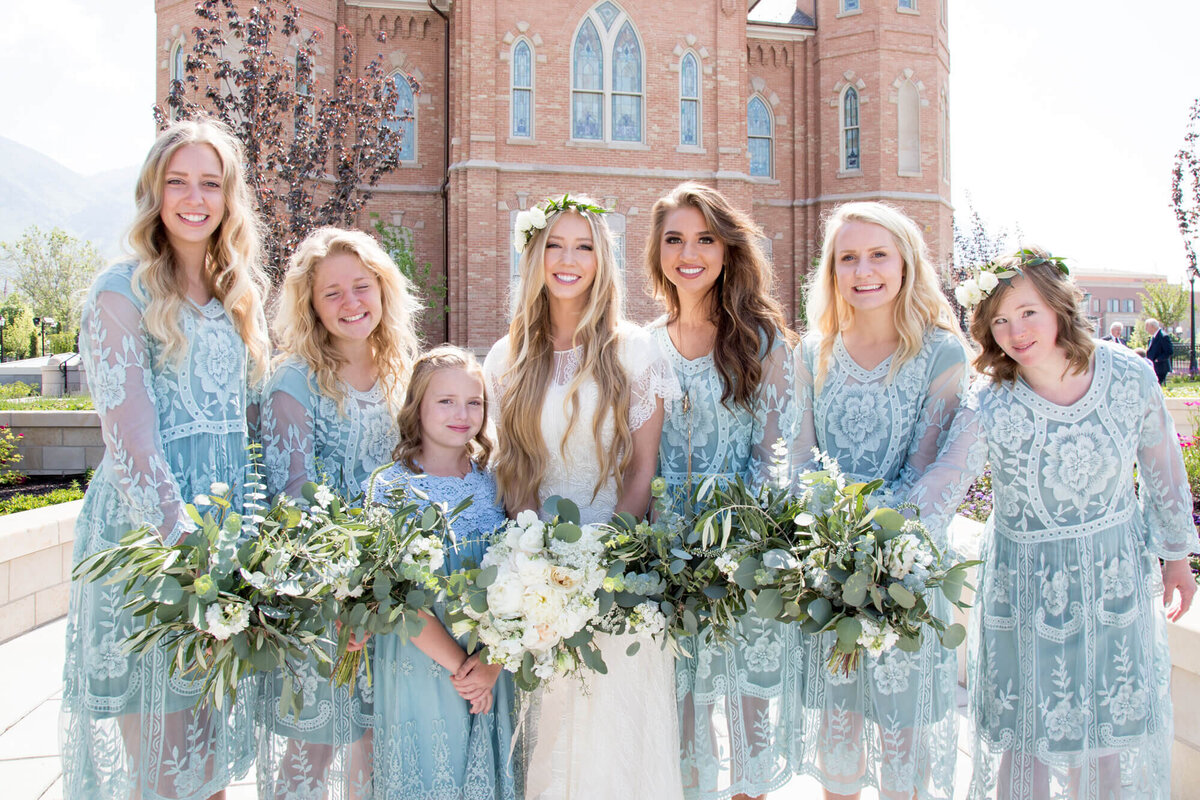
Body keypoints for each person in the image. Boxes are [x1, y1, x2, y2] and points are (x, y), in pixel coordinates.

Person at [923, 248, 1196, 798]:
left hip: (1113, 580)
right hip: (1025, 588)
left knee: (1108, 736)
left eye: (1027, 312)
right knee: (1027, 735)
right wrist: (875, 539)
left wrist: (1176, 558)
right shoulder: (991, 402)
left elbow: (1164, 467)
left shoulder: (1129, 376)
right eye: (999, 319)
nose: (1015, 331)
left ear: (1058, 306)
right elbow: (944, 483)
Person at [61, 117, 270, 800]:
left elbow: (248, 430)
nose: (193, 197)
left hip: (222, 548)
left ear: (229, 198)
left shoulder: (237, 298)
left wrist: (253, 550)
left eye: (210, 183)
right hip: (150, 547)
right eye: (177, 181)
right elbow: (132, 444)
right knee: (162, 767)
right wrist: (189, 555)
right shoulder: (120, 293)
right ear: (152, 191)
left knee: (207, 767)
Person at [483, 194, 683, 799]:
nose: (569, 260)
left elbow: (643, 468)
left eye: (585, 246)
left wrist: (600, 563)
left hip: (618, 573)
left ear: (603, 260)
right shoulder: (506, 357)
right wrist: (539, 564)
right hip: (539, 580)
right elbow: (512, 468)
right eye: (555, 246)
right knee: (553, 740)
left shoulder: (633, 352)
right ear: (535, 256)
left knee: (617, 738)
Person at [791, 202, 970, 800]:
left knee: (904, 742)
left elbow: (926, 469)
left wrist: (877, 557)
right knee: (835, 733)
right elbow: (800, 460)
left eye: (878, 255)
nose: (863, 270)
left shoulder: (942, 354)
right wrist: (829, 553)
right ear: (832, 270)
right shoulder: (811, 352)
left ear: (906, 264)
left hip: (906, 567)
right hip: (823, 570)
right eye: (848, 258)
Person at [644, 182, 798, 800]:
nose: (690, 252)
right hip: (663, 550)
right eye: (675, 238)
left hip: (743, 546)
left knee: (745, 706)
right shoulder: (642, 344)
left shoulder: (761, 342)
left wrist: (745, 547)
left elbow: (776, 454)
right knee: (680, 702)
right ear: (657, 252)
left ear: (728, 249)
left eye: (706, 238)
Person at [258, 226, 421, 798]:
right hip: (324, 592)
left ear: (383, 288)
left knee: (376, 743)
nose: (351, 303)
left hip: (393, 589)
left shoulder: (404, 370)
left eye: (362, 286)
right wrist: (342, 596)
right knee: (316, 742)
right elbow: (292, 496)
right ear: (310, 305)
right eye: (333, 293)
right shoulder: (292, 380)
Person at [370, 345, 518, 799]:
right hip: (424, 665)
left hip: (493, 665)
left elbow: (520, 579)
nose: (462, 413)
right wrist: (463, 671)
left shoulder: (498, 482)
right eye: (446, 401)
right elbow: (393, 598)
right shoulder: (390, 488)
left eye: (474, 402)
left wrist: (491, 664)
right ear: (417, 407)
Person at [1145, 318, 1173, 385]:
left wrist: (1157, 360)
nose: (1146, 329)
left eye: (1147, 327)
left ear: (1152, 327)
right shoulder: (1154, 337)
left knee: (1156, 386)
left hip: (1161, 368)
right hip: (1154, 367)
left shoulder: (1163, 336)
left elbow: (1169, 351)